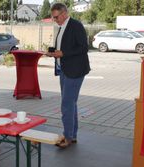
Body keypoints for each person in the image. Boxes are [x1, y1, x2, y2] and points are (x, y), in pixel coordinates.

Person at [46, 3, 90, 148]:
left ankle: (67, 137)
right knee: (71, 103)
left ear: (65, 13)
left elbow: (84, 47)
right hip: (64, 69)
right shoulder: (61, 27)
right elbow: (65, 47)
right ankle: (73, 135)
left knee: (66, 104)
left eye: (56, 17)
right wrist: (54, 53)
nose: (55, 19)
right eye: (53, 17)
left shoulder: (76, 25)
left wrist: (63, 53)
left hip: (75, 70)